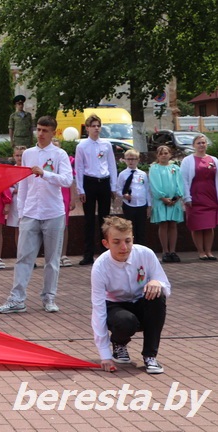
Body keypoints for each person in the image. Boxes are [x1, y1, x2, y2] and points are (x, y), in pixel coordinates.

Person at [0, 116, 72, 314]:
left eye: (45, 130)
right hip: (30, 212)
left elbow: (66, 180)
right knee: (23, 257)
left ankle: (49, 298)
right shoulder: (28, 154)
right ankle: (17, 299)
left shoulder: (60, 154)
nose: (40, 134)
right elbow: (24, 184)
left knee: (52, 260)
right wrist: (21, 212)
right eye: (38, 129)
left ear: (53, 132)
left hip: (53, 212)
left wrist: (45, 174)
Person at [92, 217, 169, 374]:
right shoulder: (100, 267)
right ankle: (119, 343)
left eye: (128, 241)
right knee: (126, 321)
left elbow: (166, 285)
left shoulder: (145, 254)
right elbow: (98, 310)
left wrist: (156, 282)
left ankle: (150, 356)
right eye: (116, 242)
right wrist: (104, 355)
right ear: (106, 244)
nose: (124, 247)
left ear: (133, 239)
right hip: (116, 307)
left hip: (141, 302)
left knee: (158, 294)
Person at [75, 114, 118, 265]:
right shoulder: (82, 146)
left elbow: (112, 165)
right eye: (93, 126)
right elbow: (79, 168)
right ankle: (88, 254)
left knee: (105, 219)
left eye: (98, 125)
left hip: (104, 182)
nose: (96, 128)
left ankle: (106, 252)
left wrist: (113, 186)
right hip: (89, 182)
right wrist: (80, 189)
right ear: (87, 128)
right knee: (89, 220)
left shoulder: (106, 145)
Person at [180, 134, 218, 261]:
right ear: (193, 145)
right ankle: (201, 251)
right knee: (197, 225)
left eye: (203, 142)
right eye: (199, 143)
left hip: (210, 196)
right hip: (194, 196)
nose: (201, 145)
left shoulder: (214, 160)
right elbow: (183, 180)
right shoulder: (187, 160)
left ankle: (209, 251)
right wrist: (187, 197)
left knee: (209, 225)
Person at [148, 145, 184, 262]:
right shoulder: (155, 168)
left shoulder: (175, 168)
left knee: (172, 224)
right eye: (161, 153)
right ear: (158, 156)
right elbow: (154, 184)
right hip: (161, 201)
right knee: (163, 224)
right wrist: (162, 197)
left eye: (166, 153)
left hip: (174, 201)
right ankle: (165, 251)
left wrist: (177, 197)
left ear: (170, 155)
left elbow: (180, 182)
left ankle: (173, 251)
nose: (164, 155)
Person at [51, 137, 77, 267]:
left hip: (64, 195)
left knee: (64, 225)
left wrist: (73, 198)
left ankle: (63, 254)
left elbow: (71, 180)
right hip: (51, 196)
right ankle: (53, 255)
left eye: (57, 146)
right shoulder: (47, 161)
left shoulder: (64, 160)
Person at [116, 149, 150, 247]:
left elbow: (147, 189)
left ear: (138, 160)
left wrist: (149, 205)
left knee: (141, 230)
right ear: (125, 160)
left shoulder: (142, 174)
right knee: (130, 229)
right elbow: (118, 189)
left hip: (141, 204)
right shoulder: (123, 174)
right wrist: (124, 195)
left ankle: (142, 250)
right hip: (129, 205)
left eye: (133, 159)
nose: (131, 161)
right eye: (128, 159)